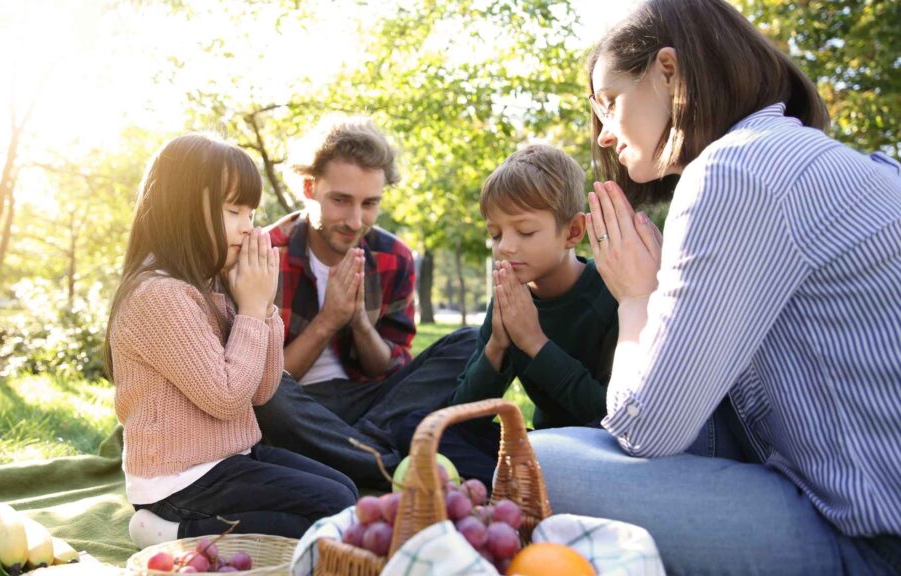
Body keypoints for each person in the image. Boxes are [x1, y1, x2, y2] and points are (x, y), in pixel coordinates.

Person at [527, 1, 901, 574]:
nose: (602, 136)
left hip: (867, 535)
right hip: (856, 495)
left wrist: (635, 297)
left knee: (531, 462)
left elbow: (648, 429)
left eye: (610, 105)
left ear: (669, 72)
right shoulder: (820, 161)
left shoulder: (734, 172)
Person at [104, 135, 357, 548]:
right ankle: (173, 531)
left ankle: (209, 526)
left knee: (344, 492)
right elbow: (225, 396)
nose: (248, 226)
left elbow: (260, 390)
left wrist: (264, 307)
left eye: (251, 212)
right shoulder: (158, 296)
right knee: (329, 511)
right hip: (180, 482)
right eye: (233, 210)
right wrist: (254, 311)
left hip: (227, 459)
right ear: (179, 211)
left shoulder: (211, 289)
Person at [254, 116, 477, 488]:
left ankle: (358, 447)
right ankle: (385, 458)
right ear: (310, 187)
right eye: (341, 201)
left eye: (370, 203)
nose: (355, 221)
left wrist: (358, 322)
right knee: (267, 396)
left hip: (371, 405)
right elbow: (261, 382)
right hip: (297, 408)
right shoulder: (264, 254)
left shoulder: (394, 257)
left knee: (470, 342)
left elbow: (388, 372)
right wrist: (329, 320)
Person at [395, 144, 620, 487]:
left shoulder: (610, 295)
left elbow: (607, 414)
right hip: (541, 447)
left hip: (598, 450)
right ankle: (522, 489)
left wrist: (534, 342)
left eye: (525, 232)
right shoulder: (510, 297)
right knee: (419, 429)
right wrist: (498, 345)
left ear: (573, 232)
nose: (506, 247)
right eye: (495, 234)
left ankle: (521, 488)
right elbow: (465, 415)